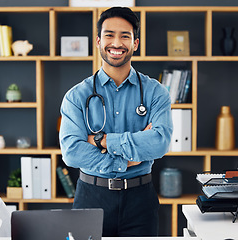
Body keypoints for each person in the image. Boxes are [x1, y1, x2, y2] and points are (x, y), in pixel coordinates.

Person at [59, 6, 173, 237]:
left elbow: (159, 143)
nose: (116, 43)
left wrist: (102, 141)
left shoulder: (156, 92)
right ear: (99, 41)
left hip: (140, 200)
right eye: (109, 35)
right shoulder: (77, 95)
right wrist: (128, 159)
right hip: (91, 196)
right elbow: (72, 152)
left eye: (125, 36)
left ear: (135, 43)